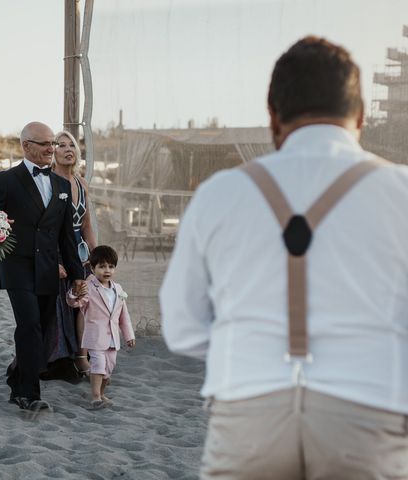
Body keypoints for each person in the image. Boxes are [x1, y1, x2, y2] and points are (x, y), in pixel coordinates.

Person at [161, 36, 408, 479]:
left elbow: (181, 329)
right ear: (362, 117)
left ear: (272, 116)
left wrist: (251, 348)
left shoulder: (220, 193)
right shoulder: (401, 192)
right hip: (369, 411)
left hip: (247, 415)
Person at [0, 121, 86, 412]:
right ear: (26, 146)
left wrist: (77, 275)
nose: (51, 148)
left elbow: (67, 235)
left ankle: (17, 376)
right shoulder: (4, 180)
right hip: (16, 266)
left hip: (47, 268)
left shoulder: (61, 185)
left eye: (53, 144)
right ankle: (28, 393)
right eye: (45, 144)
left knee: (44, 329)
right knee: (29, 325)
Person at [44, 130, 97, 380]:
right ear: (53, 152)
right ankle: (58, 360)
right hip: (55, 251)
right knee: (59, 307)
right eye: (61, 145)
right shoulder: (48, 182)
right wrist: (53, 260)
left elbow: (86, 225)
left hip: (80, 250)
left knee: (84, 304)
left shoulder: (81, 183)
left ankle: (82, 357)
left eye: (71, 145)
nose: (67, 149)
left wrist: (96, 257)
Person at [67, 245, 135, 410]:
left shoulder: (118, 289)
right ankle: (95, 396)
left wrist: (129, 335)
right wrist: (74, 294)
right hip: (95, 337)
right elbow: (75, 303)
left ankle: (102, 393)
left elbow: (123, 316)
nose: (107, 270)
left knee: (108, 368)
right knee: (98, 365)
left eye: (111, 266)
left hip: (112, 338)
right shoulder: (89, 287)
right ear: (92, 267)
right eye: (102, 266)